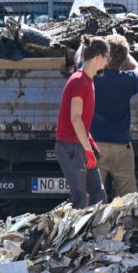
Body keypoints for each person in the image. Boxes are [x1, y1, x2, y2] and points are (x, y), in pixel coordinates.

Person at [82, 34, 138, 199]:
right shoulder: (129, 80)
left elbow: (78, 60)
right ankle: (127, 225)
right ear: (122, 60)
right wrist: (126, 56)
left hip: (96, 148)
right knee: (129, 200)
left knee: (93, 202)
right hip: (122, 148)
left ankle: (96, 225)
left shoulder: (92, 76)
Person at [55, 37, 109, 209]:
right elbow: (75, 118)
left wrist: (90, 143)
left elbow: (82, 122)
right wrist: (87, 150)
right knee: (80, 198)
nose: (107, 62)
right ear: (98, 57)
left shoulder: (87, 80)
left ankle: (98, 234)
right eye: (107, 57)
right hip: (71, 147)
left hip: (78, 144)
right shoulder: (80, 82)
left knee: (98, 194)